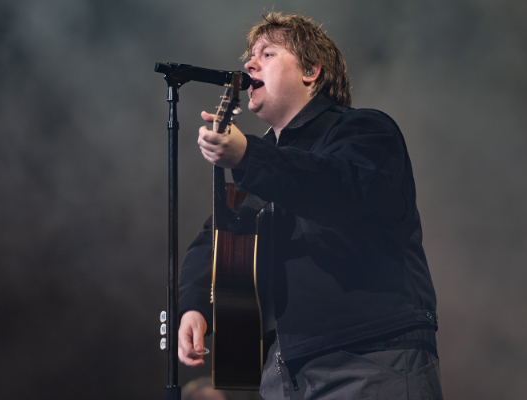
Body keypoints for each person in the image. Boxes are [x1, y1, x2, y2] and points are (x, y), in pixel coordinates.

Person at [178, 12, 443, 400]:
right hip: (284, 373)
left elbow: (336, 190)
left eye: (267, 54)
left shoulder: (366, 130)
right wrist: (194, 306)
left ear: (310, 70)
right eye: (249, 57)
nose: (250, 64)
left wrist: (250, 155)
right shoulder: (265, 167)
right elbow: (217, 239)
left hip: (369, 356)